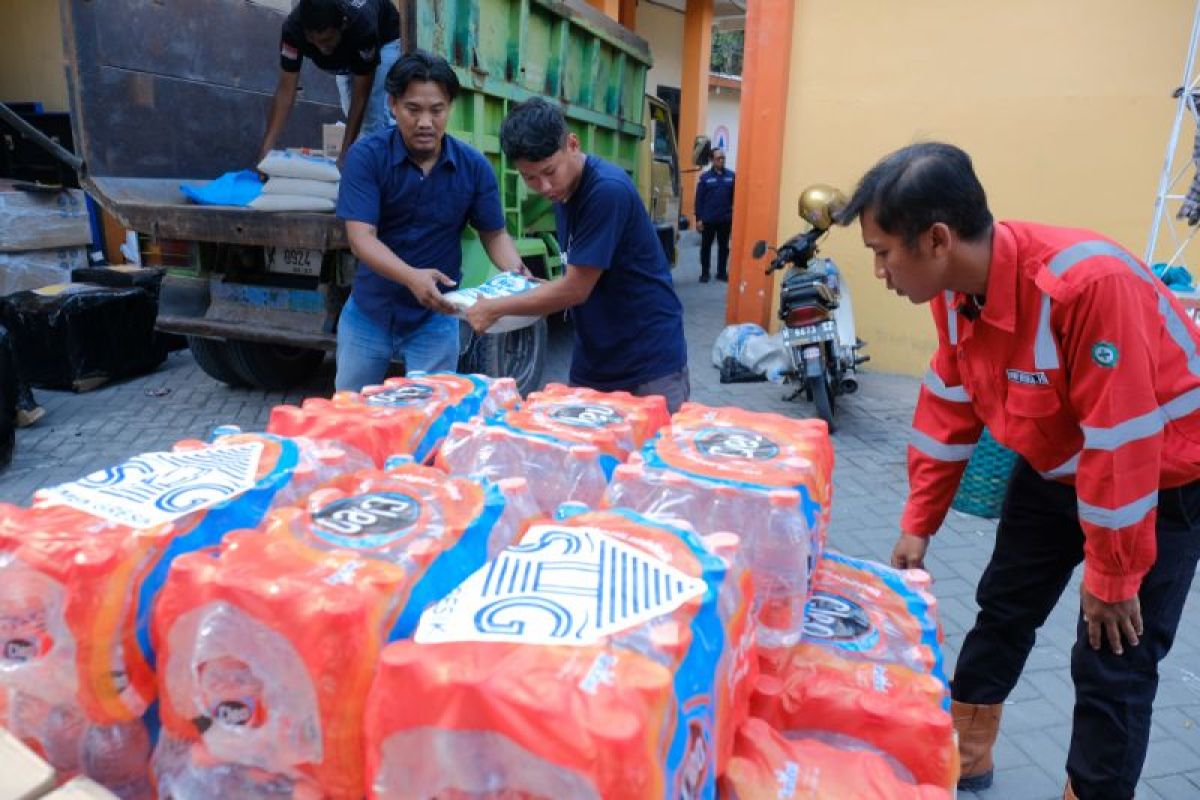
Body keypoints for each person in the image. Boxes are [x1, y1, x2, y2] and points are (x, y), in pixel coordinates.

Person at [837, 141, 1200, 800]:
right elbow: (948, 409)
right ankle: (966, 752)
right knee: (1004, 606)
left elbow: (1122, 440)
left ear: (938, 240)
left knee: (1113, 656)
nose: (881, 271)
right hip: (1055, 466)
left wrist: (1114, 572)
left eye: (882, 252)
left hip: (1158, 483)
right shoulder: (954, 293)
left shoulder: (1088, 286)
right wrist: (919, 522)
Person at [463, 98, 690, 412]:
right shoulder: (563, 190)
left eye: (549, 172)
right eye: (530, 178)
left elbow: (575, 289)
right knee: (585, 454)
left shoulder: (606, 190)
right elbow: (581, 275)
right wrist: (531, 286)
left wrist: (495, 308)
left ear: (572, 144)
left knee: (648, 456)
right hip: (597, 356)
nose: (543, 186)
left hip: (647, 361)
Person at [334, 50, 527, 391]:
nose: (426, 122)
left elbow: (494, 234)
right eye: (413, 109)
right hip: (369, 313)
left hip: (437, 318)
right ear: (393, 105)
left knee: (431, 416)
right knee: (351, 410)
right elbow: (360, 237)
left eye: (437, 110)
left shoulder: (473, 167)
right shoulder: (366, 157)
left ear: (449, 107)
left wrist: (517, 274)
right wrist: (411, 277)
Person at [257, 0, 401, 168]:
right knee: (352, 113)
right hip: (345, 57)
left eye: (327, 39)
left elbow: (361, 95)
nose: (321, 48)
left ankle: (379, 175)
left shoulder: (362, 27)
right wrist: (265, 152)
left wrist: (344, 157)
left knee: (370, 118)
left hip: (384, 40)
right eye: (313, 40)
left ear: (343, 25)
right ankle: (392, 140)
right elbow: (285, 90)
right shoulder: (293, 29)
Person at [694, 148, 735, 283]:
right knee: (706, 247)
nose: (721, 160)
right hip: (709, 219)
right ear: (712, 160)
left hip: (725, 219)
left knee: (724, 248)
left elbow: (735, 199)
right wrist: (699, 219)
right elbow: (699, 200)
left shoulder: (731, 176)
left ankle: (721, 273)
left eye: (723, 158)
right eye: (718, 158)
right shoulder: (705, 178)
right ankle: (705, 273)